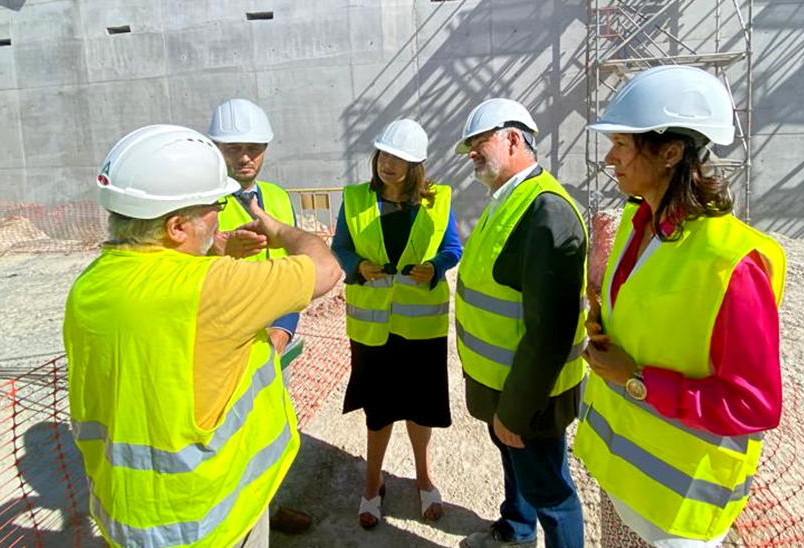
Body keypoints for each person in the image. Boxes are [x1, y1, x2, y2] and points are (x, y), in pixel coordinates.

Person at [64, 124, 340, 548]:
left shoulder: (90, 285)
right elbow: (327, 270)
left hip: (129, 518)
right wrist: (281, 231)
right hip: (211, 518)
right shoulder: (212, 288)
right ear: (176, 226)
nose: (219, 213)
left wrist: (211, 253)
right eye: (213, 204)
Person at [575, 65, 786, 548]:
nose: (610, 158)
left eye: (622, 146)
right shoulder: (636, 221)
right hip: (622, 480)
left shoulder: (732, 264)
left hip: (678, 512)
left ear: (670, 152)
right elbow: (648, 316)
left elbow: (754, 404)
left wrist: (637, 380)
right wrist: (603, 320)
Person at [454, 98, 588, 548]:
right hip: (504, 388)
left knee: (552, 494)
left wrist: (514, 410)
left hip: (529, 396)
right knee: (519, 471)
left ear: (514, 139)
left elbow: (551, 331)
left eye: (479, 142)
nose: (472, 153)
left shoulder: (546, 210)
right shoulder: (506, 200)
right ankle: (515, 532)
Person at [331, 119, 462, 530]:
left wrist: (436, 267)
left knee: (420, 408)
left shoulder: (437, 201)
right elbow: (341, 247)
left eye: (399, 159)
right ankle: (373, 484)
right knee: (379, 409)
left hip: (420, 330)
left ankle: (424, 477)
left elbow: (452, 247)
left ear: (416, 165)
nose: (388, 164)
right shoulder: (354, 199)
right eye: (384, 155)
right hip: (372, 331)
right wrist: (357, 266)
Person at [208, 99, 313, 535]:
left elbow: (292, 276)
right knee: (225, 444)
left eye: (254, 147)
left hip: (273, 345)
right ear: (216, 149)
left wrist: (284, 330)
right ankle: (233, 524)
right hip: (224, 353)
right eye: (234, 149)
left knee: (269, 433)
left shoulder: (279, 199)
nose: (245, 157)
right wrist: (213, 251)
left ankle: (270, 506)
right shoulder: (200, 206)